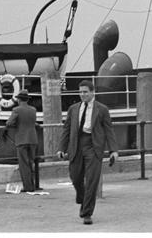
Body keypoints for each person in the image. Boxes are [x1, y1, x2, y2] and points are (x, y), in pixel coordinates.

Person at [57, 80, 119, 225]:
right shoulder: (73, 109)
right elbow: (66, 129)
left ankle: (87, 213)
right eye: (80, 92)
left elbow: (109, 130)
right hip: (76, 146)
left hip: (93, 146)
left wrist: (113, 150)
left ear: (92, 92)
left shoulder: (102, 109)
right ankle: (82, 197)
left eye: (85, 92)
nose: (82, 94)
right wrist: (61, 148)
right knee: (75, 177)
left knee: (92, 181)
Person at [5, 89, 39, 192]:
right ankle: (33, 185)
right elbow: (33, 122)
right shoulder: (33, 109)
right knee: (31, 162)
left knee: (24, 165)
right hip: (33, 139)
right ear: (27, 100)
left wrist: (16, 124)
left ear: (19, 100)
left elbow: (9, 123)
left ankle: (28, 187)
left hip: (22, 139)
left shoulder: (16, 110)